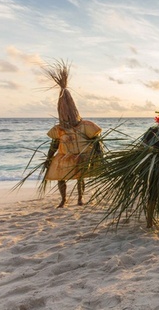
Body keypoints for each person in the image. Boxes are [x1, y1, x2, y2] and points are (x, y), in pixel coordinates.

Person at [42, 61, 102, 208]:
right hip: (64, 156)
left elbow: (96, 140)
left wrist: (99, 155)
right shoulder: (59, 129)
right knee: (60, 178)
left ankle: (80, 198)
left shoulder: (85, 126)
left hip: (81, 155)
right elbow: (54, 144)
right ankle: (63, 200)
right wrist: (49, 158)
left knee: (80, 177)